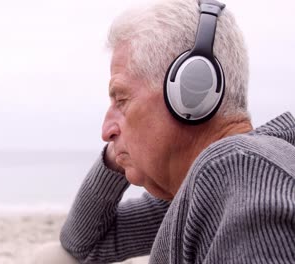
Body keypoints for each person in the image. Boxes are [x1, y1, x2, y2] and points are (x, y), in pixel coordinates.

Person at [41, 0, 295, 263]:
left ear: (189, 94)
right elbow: (83, 244)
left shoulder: (239, 171)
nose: (106, 132)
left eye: (122, 100)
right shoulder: (212, 190)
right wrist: (119, 154)